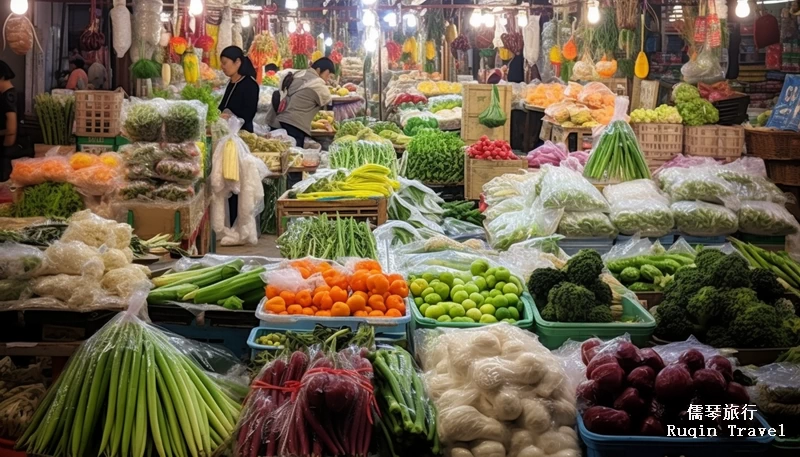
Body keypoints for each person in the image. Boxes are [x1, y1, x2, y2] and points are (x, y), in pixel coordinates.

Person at [269, 57, 334, 147]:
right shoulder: (318, 83)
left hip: (276, 121)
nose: (328, 80)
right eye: (328, 75)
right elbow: (328, 101)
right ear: (318, 70)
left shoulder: (299, 73)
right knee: (293, 156)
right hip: (295, 126)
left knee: (279, 153)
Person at [0, 61, 30, 181]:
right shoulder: (15, 94)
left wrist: (5, 150)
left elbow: (11, 130)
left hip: (8, 153)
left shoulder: (8, 97)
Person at [218, 46, 259, 133]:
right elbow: (224, 106)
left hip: (242, 133)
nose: (222, 66)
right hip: (226, 130)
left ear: (237, 62)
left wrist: (229, 117)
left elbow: (248, 114)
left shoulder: (250, 84)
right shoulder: (230, 82)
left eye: (224, 63)